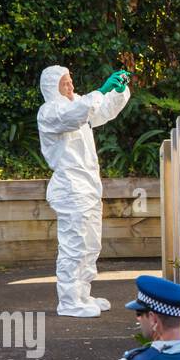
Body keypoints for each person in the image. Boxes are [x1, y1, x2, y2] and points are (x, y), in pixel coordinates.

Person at [37, 65, 131, 317]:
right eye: (64, 83)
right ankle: (68, 301)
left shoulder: (76, 104)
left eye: (71, 81)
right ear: (51, 88)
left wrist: (117, 92)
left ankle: (82, 294)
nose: (71, 86)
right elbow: (77, 113)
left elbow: (100, 111)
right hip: (70, 189)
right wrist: (101, 89)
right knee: (74, 246)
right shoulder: (50, 112)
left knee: (90, 244)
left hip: (88, 186)